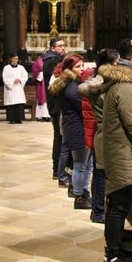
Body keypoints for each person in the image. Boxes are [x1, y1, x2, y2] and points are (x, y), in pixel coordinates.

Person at [100, 57, 132, 262]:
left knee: (116, 204)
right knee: (119, 206)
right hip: (123, 153)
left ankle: (115, 249)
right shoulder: (126, 88)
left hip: (118, 151)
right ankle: (114, 257)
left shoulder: (117, 84)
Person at [78, 48, 120, 224]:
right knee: (101, 173)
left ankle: (100, 209)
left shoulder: (98, 82)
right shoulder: (99, 85)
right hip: (101, 132)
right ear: (108, 65)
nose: (119, 66)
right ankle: (98, 210)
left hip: (99, 132)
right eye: (117, 63)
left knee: (101, 172)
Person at [49, 54, 93, 209]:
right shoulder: (72, 89)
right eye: (78, 66)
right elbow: (84, 109)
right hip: (77, 129)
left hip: (75, 127)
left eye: (83, 65)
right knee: (81, 165)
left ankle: (81, 191)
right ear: (69, 69)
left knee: (86, 165)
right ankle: (79, 197)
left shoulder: (71, 84)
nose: (83, 69)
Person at [43, 37, 68, 180]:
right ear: (53, 48)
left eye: (64, 45)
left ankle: (60, 168)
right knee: (59, 136)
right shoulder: (51, 62)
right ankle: (56, 169)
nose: (63, 48)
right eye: (60, 46)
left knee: (61, 135)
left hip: (57, 103)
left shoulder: (55, 60)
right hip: (56, 104)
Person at [2, 53, 28, 124]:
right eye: (15, 58)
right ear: (11, 59)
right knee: (11, 103)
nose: (16, 60)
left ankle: (19, 119)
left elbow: (25, 76)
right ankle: (11, 119)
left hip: (18, 88)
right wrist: (13, 81)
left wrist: (20, 80)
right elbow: (5, 78)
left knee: (19, 103)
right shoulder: (6, 68)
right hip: (11, 88)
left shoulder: (21, 67)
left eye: (17, 58)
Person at [32, 54, 50, 121]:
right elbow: (35, 71)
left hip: (48, 83)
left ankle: (48, 115)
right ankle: (40, 115)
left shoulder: (49, 61)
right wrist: (42, 74)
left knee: (48, 99)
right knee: (42, 99)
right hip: (41, 83)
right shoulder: (38, 61)